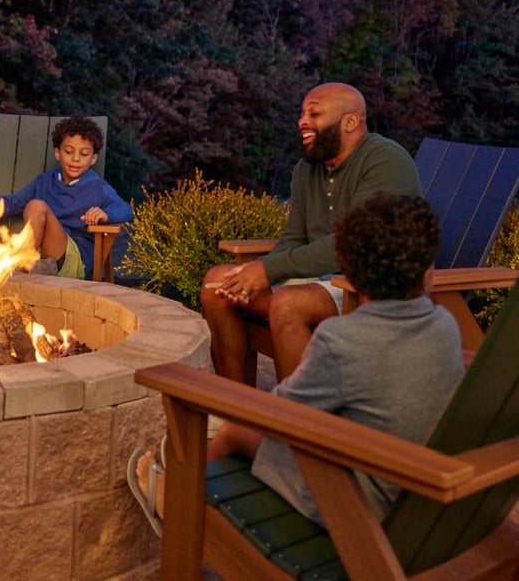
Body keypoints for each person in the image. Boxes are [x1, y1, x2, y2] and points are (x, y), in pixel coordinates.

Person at [129, 192, 465, 534]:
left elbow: (281, 416)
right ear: (427, 272)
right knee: (241, 430)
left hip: (357, 506)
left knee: (235, 429)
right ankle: (189, 485)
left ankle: (178, 505)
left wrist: (226, 407)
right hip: (420, 490)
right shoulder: (445, 325)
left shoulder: (342, 340)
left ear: (353, 275)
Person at [201, 82, 422, 384]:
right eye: (302, 113)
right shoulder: (307, 169)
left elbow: (354, 242)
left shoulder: (385, 159)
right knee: (217, 285)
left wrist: (268, 270)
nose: (302, 121)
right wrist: (254, 272)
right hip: (322, 281)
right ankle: (233, 403)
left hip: (373, 289)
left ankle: (294, 412)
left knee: (288, 303)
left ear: (350, 121)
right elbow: (294, 238)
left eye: (314, 114)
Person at [0, 115, 132, 279]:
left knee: (37, 206)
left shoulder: (98, 187)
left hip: (72, 261)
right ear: (58, 153)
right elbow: (11, 203)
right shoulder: (44, 181)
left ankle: (18, 267)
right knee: (34, 206)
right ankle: (22, 266)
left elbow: (125, 209)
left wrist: (105, 214)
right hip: (42, 260)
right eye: (68, 151)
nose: (75, 158)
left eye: (84, 154)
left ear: (93, 158)